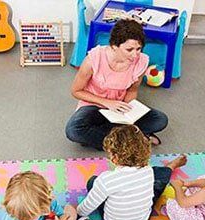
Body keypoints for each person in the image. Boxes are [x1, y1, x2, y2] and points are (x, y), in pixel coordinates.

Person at [65, 19, 168, 150]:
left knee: (160, 120)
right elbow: (76, 91)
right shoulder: (93, 59)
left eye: (138, 49)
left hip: (120, 107)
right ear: (114, 46)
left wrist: (130, 113)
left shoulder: (142, 61)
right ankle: (131, 139)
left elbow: (132, 91)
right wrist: (107, 103)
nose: (135, 54)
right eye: (129, 49)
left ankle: (111, 138)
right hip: (94, 106)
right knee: (74, 130)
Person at [76, 125, 186, 220]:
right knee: (157, 183)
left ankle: (170, 167)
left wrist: (77, 212)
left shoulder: (106, 179)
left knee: (92, 181)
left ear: (114, 158)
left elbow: (87, 207)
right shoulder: (148, 170)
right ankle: (171, 167)